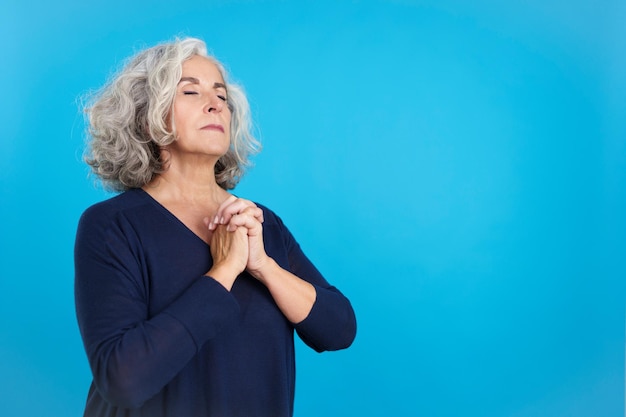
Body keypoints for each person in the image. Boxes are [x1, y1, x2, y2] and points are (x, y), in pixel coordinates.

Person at [74, 37, 357, 417]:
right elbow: (124, 380)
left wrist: (264, 267)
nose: (215, 105)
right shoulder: (112, 225)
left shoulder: (260, 223)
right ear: (148, 117)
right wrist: (223, 271)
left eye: (221, 96)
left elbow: (339, 329)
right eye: (190, 91)